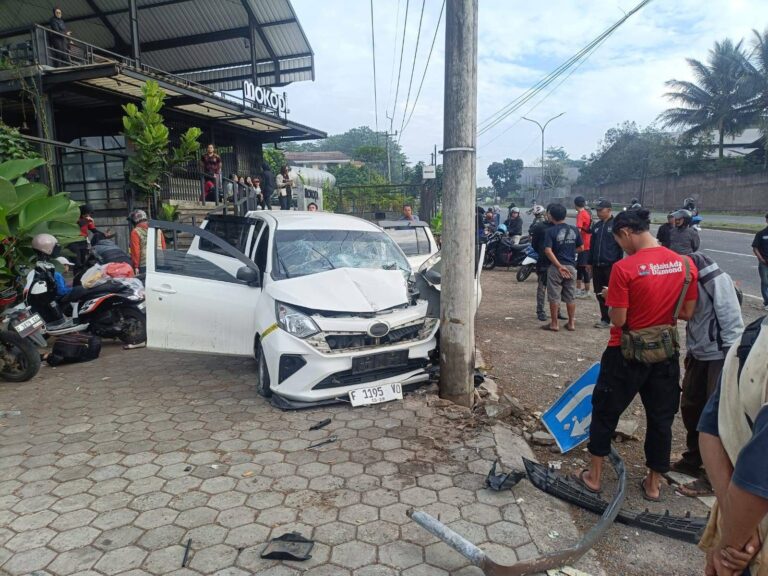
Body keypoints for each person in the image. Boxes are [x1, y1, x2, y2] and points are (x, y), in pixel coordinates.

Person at [574, 208, 698, 502]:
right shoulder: (684, 263)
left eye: (619, 239)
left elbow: (618, 320)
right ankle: (653, 484)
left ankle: (594, 477)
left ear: (626, 232)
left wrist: (610, 298)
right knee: (661, 418)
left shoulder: (625, 269)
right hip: (665, 355)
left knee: (605, 412)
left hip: (625, 354)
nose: (620, 246)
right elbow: (687, 313)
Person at [697, 316, 768, 576]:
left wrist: (731, 535)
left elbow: (711, 428)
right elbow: (760, 472)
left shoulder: (750, 337)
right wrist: (732, 543)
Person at [672, 251, 743, 494]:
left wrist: (730, 358)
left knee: (716, 417)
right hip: (699, 352)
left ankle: (714, 479)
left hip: (720, 354)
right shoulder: (685, 277)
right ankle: (693, 460)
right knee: (691, 406)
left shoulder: (715, 279)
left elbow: (731, 317)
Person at [542, 203, 583, 332]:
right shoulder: (574, 229)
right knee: (570, 296)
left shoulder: (550, 231)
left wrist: (559, 266)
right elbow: (581, 248)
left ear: (551, 216)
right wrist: (570, 252)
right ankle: (571, 323)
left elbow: (548, 251)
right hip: (571, 267)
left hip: (556, 267)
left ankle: (554, 323)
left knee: (554, 295)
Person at [589, 200, 623, 329]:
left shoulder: (616, 226)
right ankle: (605, 318)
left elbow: (620, 247)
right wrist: (589, 262)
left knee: (613, 293)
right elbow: (592, 246)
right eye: (597, 210)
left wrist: (619, 264)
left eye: (600, 210)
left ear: (609, 210)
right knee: (599, 293)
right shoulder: (596, 226)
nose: (598, 213)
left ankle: (618, 318)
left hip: (611, 265)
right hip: (597, 265)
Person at [129, 210, 165, 275]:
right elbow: (163, 247)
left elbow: (135, 251)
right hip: (160, 261)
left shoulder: (135, 232)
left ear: (134, 221)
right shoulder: (158, 229)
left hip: (145, 264)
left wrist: (136, 266)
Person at [574, 196, 593, 299]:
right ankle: (579, 289)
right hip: (587, 243)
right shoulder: (587, 212)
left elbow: (578, 230)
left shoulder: (581, 214)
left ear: (575, 204)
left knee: (583, 267)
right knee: (580, 267)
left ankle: (586, 291)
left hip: (584, 245)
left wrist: (573, 242)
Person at [753, 213, 768, 311]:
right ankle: (767, 302)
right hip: (764, 263)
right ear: (766, 220)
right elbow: (755, 248)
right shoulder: (761, 234)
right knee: (765, 282)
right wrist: (761, 259)